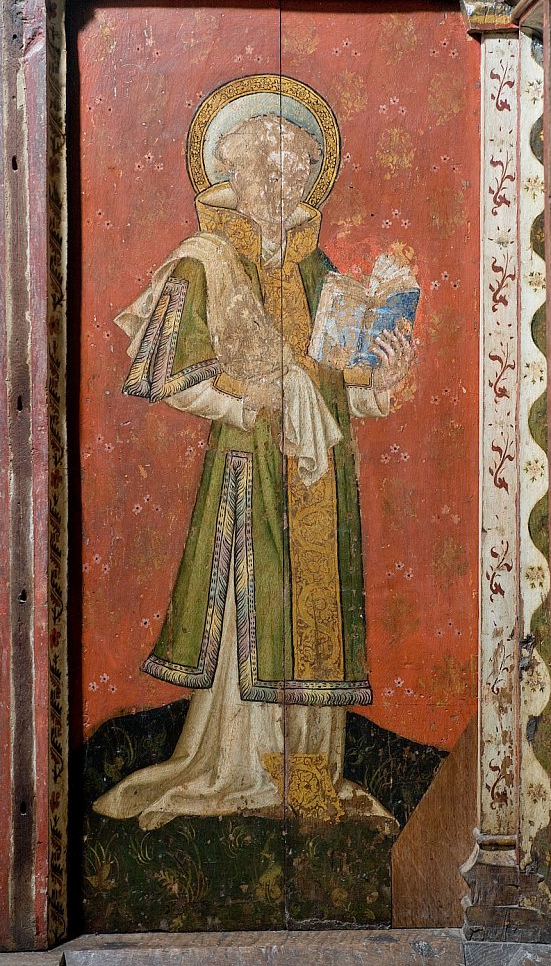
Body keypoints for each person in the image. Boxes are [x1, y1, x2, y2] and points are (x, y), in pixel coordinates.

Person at [94, 112, 413, 830]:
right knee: (255, 615)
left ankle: (309, 780)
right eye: (267, 167)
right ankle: (239, 771)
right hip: (250, 472)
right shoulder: (204, 262)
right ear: (230, 173)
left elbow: (344, 394)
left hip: (319, 481)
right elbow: (174, 378)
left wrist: (385, 379)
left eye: (297, 168)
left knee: (316, 619)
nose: (282, 181)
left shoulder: (318, 271)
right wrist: (251, 400)